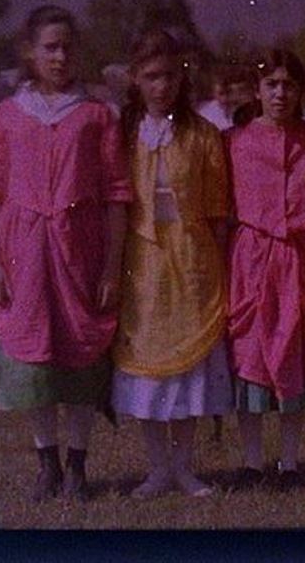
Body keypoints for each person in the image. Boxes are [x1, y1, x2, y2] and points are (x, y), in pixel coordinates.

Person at [0, 5, 132, 502]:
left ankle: (78, 464)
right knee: (33, 361)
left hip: (79, 249)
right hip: (22, 252)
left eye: (67, 47)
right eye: (49, 47)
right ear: (30, 51)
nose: (60, 56)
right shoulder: (5, 116)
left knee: (81, 355)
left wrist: (111, 267)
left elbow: (116, 197)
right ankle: (47, 462)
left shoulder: (96, 115)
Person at [110, 29, 232, 499]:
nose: (162, 86)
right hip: (143, 262)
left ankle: (183, 467)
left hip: (192, 259)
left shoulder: (203, 135)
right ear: (136, 79)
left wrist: (218, 267)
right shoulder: (124, 134)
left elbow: (218, 211)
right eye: (152, 76)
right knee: (148, 365)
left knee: (188, 369)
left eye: (170, 76)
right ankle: (157, 467)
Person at [225, 48, 305, 490]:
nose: (281, 93)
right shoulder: (235, 141)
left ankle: (289, 462)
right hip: (252, 257)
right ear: (257, 90)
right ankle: (251, 461)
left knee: (292, 352)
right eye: (272, 85)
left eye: (289, 85)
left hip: (298, 258)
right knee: (250, 352)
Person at [196, 63, 256, 131]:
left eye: (228, 93)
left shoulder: (248, 112)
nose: (224, 99)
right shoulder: (206, 113)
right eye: (221, 93)